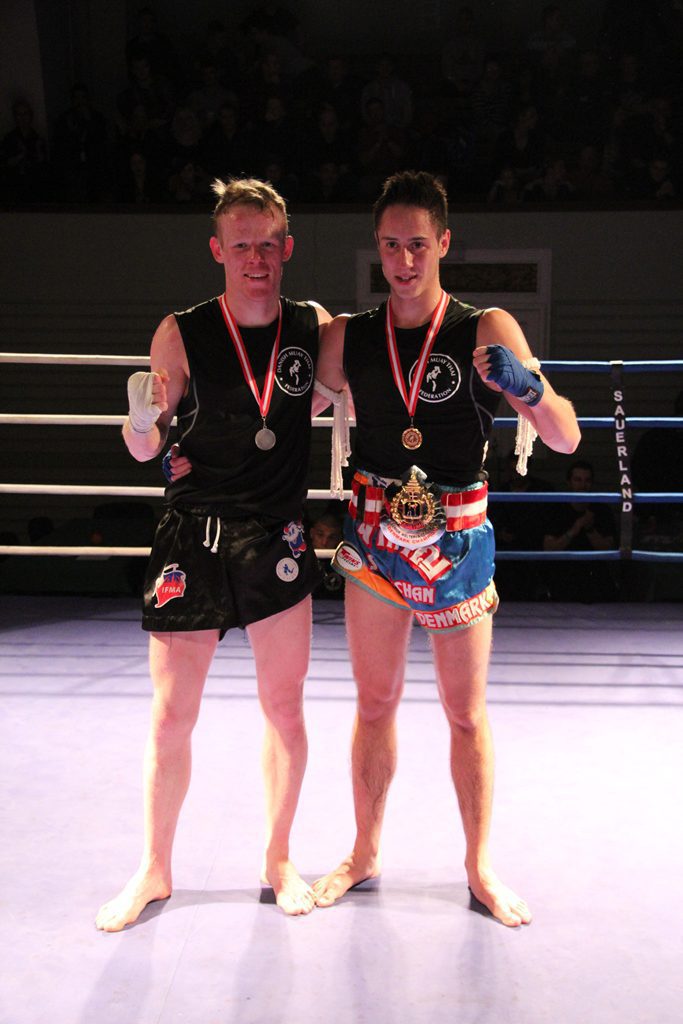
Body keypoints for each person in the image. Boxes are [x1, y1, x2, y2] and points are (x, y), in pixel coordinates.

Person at [314, 170, 580, 927]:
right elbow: (280, 399)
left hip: (456, 543)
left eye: (418, 245)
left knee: (464, 714)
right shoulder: (347, 337)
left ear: (444, 244)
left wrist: (529, 388)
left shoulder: (485, 328)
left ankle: (479, 865)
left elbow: (565, 435)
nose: (404, 261)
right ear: (377, 246)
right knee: (374, 703)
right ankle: (365, 850)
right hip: (373, 541)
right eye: (391, 245)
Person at [95, 177, 331, 931]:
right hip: (192, 535)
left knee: (284, 708)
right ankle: (154, 868)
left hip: (276, 535)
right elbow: (144, 448)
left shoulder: (314, 327)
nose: (256, 258)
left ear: (287, 248)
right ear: (217, 250)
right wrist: (140, 421)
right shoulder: (182, 331)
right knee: (171, 715)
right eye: (241, 246)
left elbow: (341, 389)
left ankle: (278, 859)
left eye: (268, 245)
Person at [543, 459, 617, 601]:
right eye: (578, 480)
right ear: (569, 482)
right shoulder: (557, 510)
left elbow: (609, 550)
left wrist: (590, 529)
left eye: (587, 480)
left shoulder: (602, 510)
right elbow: (549, 548)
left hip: (596, 577)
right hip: (564, 577)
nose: (583, 485)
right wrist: (575, 529)